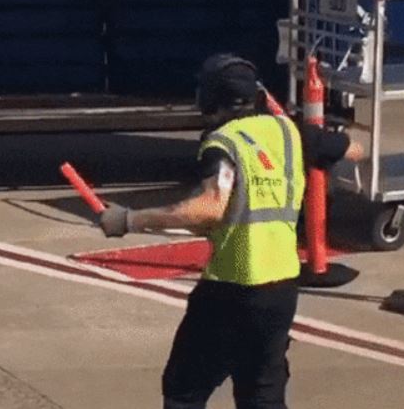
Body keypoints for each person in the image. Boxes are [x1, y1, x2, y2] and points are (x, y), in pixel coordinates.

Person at [98, 53, 365, 409]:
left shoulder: (222, 143)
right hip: (281, 288)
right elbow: (356, 149)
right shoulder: (289, 132)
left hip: (232, 287)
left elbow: (210, 207)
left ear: (209, 99)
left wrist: (130, 219)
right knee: (262, 394)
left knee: (184, 390)